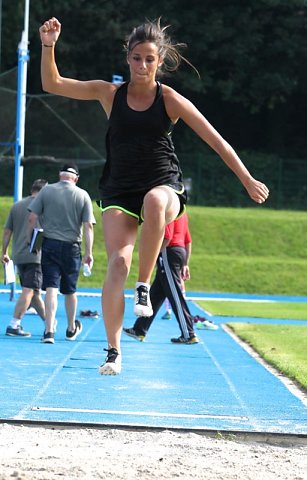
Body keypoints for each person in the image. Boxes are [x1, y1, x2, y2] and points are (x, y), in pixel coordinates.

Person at [39, 18, 269, 373]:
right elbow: (52, 83)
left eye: (149, 59)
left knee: (156, 202)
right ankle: (113, 351)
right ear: (127, 59)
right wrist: (48, 44)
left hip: (164, 184)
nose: (142, 66)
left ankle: (143, 287)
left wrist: (247, 178)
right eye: (136, 58)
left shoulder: (170, 99)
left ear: (159, 61)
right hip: (119, 189)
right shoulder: (109, 93)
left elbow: (217, 141)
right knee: (116, 263)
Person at [28, 163, 96, 344]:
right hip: (72, 246)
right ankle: (71, 328)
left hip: (49, 243)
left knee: (51, 287)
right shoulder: (83, 195)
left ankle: (49, 331)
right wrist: (89, 252)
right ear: (76, 178)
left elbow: (32, 217)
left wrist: (34, 241)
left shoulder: (46, 190)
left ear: (60, 175)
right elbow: (88, 226)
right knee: (70, 290)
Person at [123, 212, 200, 343]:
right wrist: (185, 262)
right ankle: (140, 329)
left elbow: (167, 237)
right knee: (157, 293)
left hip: (168, 252)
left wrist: (153, 255)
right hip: (178, 251)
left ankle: (189, 333)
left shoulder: (169, 211)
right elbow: (188, 240)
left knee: (175, 294)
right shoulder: (183, 212)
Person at [1, 179, 48, 337]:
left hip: (19, 255)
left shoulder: (17, 206)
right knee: (29, 290)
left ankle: (49, 323)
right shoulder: (42, 207)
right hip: (35, 255)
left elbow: (7, 231)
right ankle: (14, 323)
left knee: (34, 293)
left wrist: (4, 252)